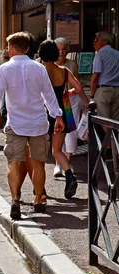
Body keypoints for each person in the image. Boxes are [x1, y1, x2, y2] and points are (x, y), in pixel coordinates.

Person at [0, 32, 64, 219]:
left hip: (16, 123)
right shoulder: (39, 68)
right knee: (39, 164)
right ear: (27, 49)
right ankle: (38, 200)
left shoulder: (4, 69)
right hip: (38, 123)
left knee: (13, 162)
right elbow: (49, 96)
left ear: (11, 48)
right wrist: (57, 116)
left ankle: (15, 200)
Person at [39, 40, 87, 199]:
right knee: (57, 151)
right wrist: (68, 93)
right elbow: (78, 88)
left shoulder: (39, 70)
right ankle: (70, 176)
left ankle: (40, 189)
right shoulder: (64, 70)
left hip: (42, 114)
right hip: (61, 113)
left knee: (39, 154)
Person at [54, 37, 83, 178]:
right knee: (57, 132)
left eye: (64, 49)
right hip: (56, 103)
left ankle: (66, 163)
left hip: (71, 102)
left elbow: (77, 85)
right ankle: (58, 165)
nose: (61, 52)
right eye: (58, 49)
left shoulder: (71, 64)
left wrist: (85, 101)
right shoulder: (50, 64)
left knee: (70, 133)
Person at [91, 31, 119, 122]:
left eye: (96, 39)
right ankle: (114, 137)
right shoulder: (117, 54)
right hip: (117, 90)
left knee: (105, 120)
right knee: (116, 121)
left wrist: (92, 96)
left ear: (105, 42)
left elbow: (95, 76)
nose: (94, 42)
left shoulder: (100, 54)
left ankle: (107, 137)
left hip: (104, 91)